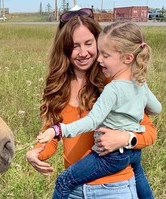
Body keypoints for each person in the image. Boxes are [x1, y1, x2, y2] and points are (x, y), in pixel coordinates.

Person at [26, 8, 157, 199]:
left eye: (89, 43)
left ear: (100, 43)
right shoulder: (58, 87)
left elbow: (149, 131)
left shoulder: (115, 82)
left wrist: (126, 138)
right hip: (74, 191)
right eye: (75, 46)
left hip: (114, 188)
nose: (83, 52)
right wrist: (36, 153)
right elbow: (53, 135)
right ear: (65, 48)